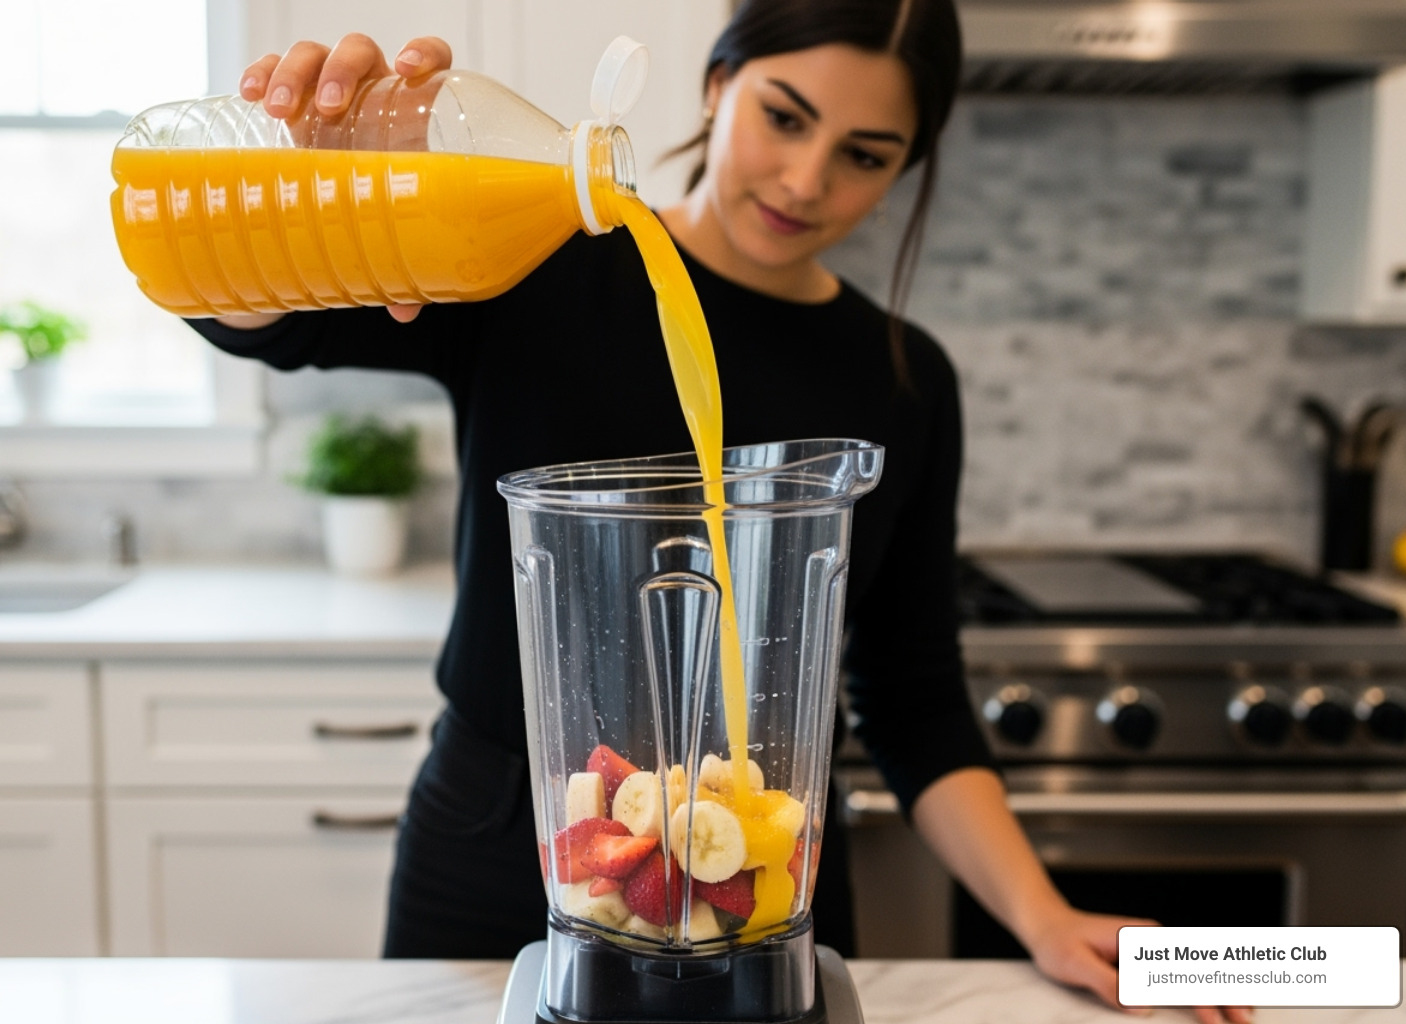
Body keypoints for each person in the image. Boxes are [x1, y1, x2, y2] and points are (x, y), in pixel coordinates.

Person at [188, 2, 1249, 1021]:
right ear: (716, 83)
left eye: (864, 154)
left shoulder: (905, 381)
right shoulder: (534, 263)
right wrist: (308, 163)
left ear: (906, 167)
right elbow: (261, 326)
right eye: (784, 117)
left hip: (759, 876)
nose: (806, 179)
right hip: (501, 846)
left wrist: (1045, 916)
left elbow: (914, 695)